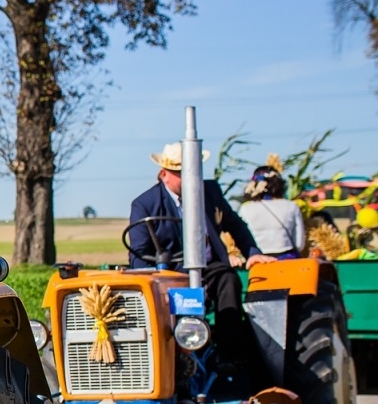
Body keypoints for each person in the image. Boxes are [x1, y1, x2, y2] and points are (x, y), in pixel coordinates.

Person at [128, 143, 272, 390]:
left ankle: (230, 357)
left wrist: (253, 253)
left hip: (209, 267)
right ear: (164, 174)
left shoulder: (210, 192)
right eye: (180, 173)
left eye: (191, 171)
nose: (188, 178)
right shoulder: (145, 204)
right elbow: (140, 254)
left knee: (228, 279)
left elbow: (235, 225)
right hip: (170, 272)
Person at [238, 165, 306, 259]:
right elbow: (299, 244)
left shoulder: (245, 208)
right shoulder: (291, 206)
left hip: (258, 261)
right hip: (287, 260)